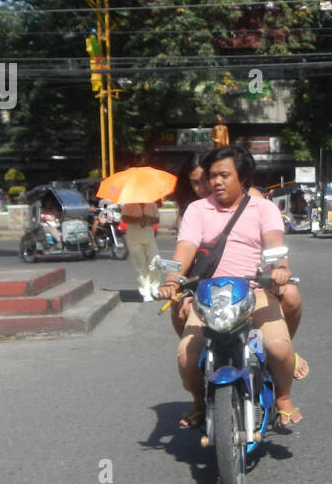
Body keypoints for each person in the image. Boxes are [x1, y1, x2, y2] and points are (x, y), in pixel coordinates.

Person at [158, 145, 302, 428]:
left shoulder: (264, 208)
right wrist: (171, 280)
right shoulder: (197, 210)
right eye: (212, 176)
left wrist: (280, 268)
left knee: (280, 350)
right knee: (186, 357)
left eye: (224, 175)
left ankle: (283, 397)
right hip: (210, 297)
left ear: (243, 177)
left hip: (254, 291)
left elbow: (274, 242)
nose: (216, 182)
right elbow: (185, 248)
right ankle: (199, 401)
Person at [122, 200, 160, 301]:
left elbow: (157, 219)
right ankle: (145, 292)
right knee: (140, 266)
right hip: (134, 239)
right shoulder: (128, 204)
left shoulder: (152, 204)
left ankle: (155, 288)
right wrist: (138, 219)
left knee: (155, 262)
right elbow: (124, 218)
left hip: (149, 238)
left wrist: (148, 220)